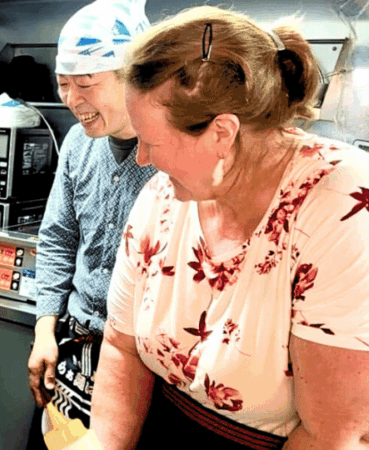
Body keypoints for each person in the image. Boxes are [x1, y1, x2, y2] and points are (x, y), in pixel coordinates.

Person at [72, 5, 369, 449]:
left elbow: (334, 433)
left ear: (221, 133)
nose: (143, 160)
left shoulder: (339, 203)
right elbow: (123, 348)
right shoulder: (161, 197)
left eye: (152, 143)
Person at [25, 0, 156, 444]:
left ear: (133, 75)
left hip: (142, 362)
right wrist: (45, 328)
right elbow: (59, 237)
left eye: (85, 83)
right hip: (72, 349)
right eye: (63, 84)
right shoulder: (78, 143)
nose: (71, 100)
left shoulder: (172, 154)